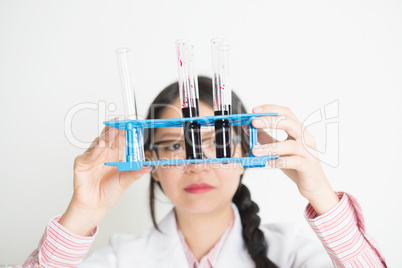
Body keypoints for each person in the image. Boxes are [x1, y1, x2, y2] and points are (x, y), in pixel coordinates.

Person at [23, 77, 387, 268]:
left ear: (246, 153)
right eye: (176, 146)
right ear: (150, 163)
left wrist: (322, 197)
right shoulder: (123, 260)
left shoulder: (289, 253)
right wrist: (80, 216)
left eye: (218, 143)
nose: (198, 164)